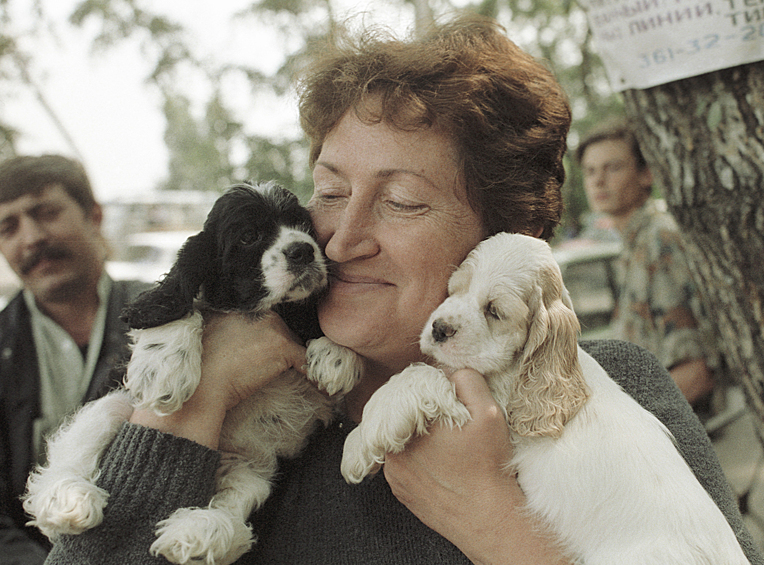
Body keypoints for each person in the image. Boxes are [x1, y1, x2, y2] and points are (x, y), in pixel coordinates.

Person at [46, 16, 761, 565]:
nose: (340, 238)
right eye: (329, 192)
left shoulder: (601, 390)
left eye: (403, 201)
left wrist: (499, 524)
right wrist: (196, 401)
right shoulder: (269, 425)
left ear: (498, 234)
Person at [0, 155, 149, 564]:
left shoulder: (168, 319)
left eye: (46, 213)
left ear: (93, 216)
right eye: (7, 227)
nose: (31, 238)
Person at [576, 119, 721, 411]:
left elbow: (697, 373)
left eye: (613, 168)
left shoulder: (659, 239)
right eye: (590, 171)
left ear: (646, 174)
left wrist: (615, 421)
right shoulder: (633, 246)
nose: (598, 181)